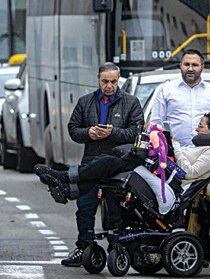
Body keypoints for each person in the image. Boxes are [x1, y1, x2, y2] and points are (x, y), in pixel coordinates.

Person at [54, 62, 144, 267]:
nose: (109, 86)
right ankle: (84, 246)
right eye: (105, 81)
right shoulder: (85, 102)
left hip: (118, 165)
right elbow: (73, 129)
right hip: (91, 162)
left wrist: (113, 133)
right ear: (98, 79)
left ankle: (116, 248)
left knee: (116, 209)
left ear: (119, 79)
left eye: (113, 81)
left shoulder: (131, 102)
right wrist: (89, 133)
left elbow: (137, 133)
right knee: (85, 207)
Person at [37, 112, 210, 202]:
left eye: (200, 125)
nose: (196, 129)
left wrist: (174, 146)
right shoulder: (203, 146)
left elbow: (188, 172)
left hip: (169, 180)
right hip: (162, 171)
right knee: (108, 166)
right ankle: (70, 189)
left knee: (108, 163)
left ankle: (67, 179)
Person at [146, 49, 210, 147]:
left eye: (194, 65)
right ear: (180, 65)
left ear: (202, 67)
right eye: (186, 64)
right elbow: (155, 124)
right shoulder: (166, 90)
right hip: (173, 155)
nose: (190, 69)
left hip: (206, 154)